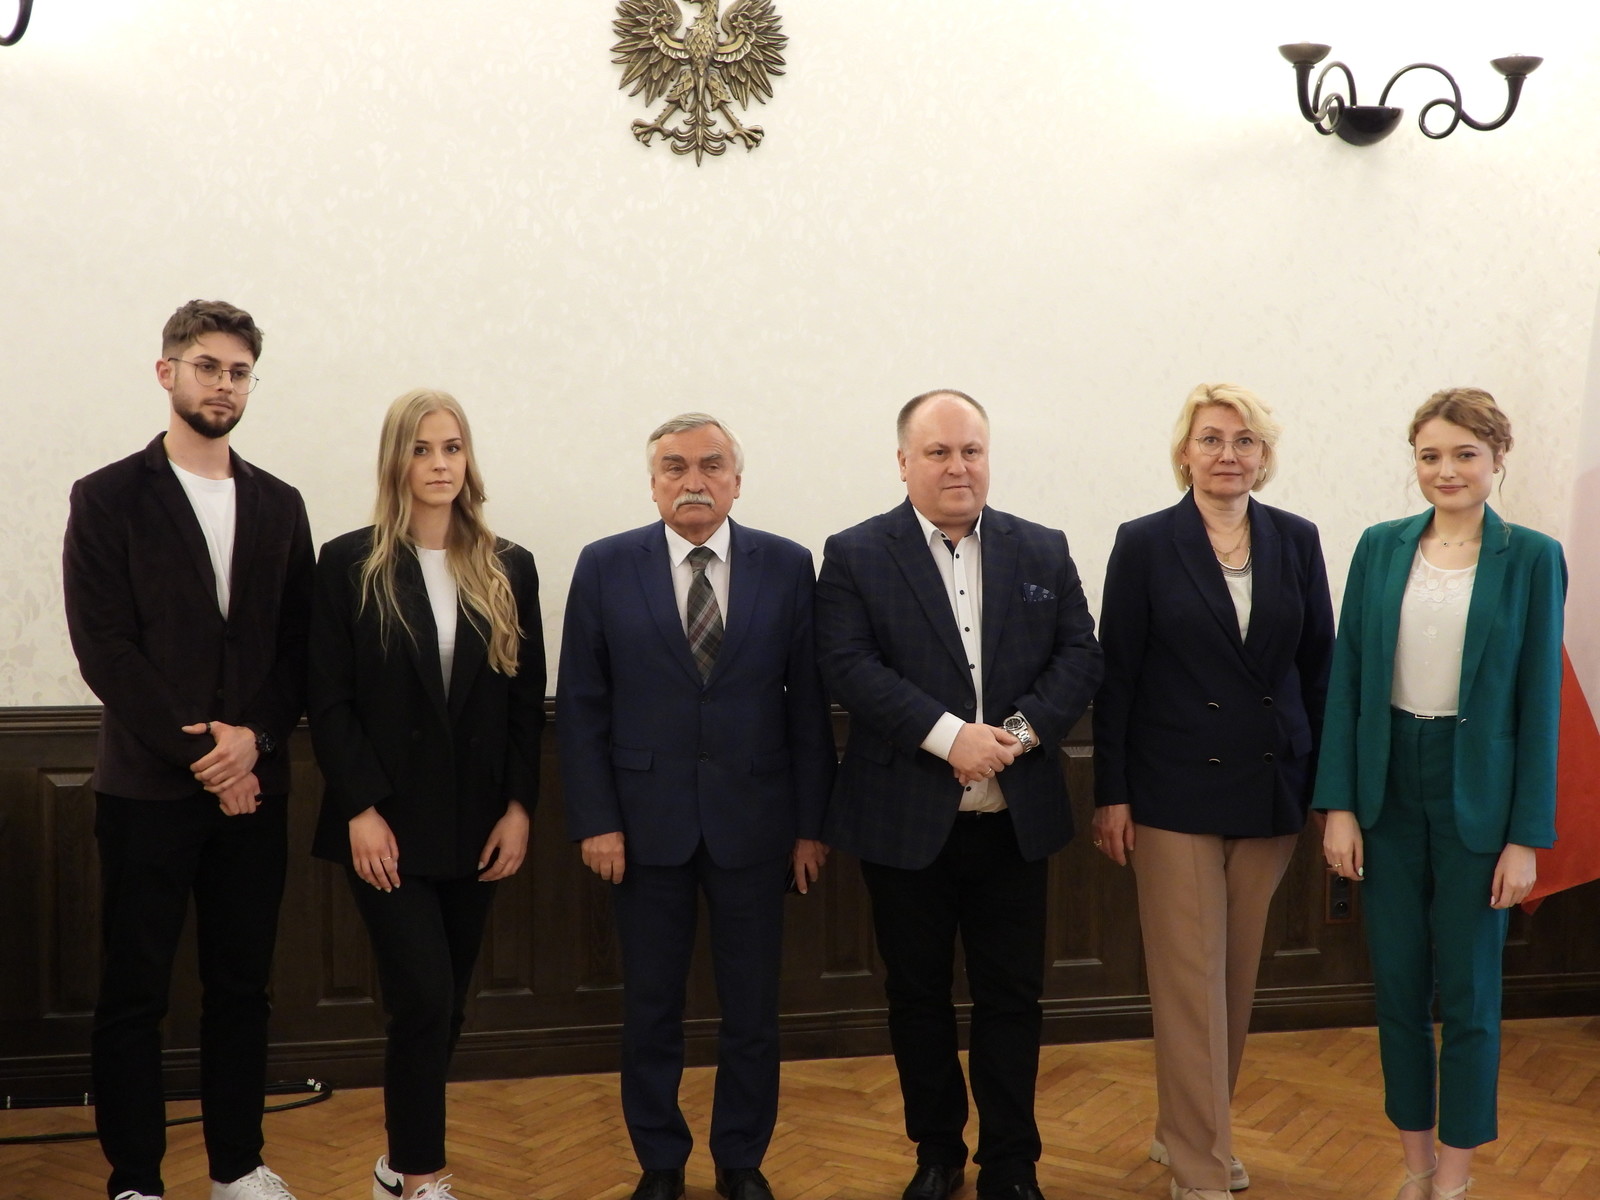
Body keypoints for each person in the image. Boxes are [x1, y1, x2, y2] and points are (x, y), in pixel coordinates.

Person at [815, 390, 1102, 1200]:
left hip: (1014, 819)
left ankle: (1011, 1162)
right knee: (917, 996)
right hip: (904, 823)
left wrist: (1011, 734)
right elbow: (848, 666)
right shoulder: (855, 554)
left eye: (971, 450)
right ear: (903, 462)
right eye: (938, 452)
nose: (957, 467)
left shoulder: (1041, 548)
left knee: (1013, 997)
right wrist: (949, 736)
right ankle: (937, 1152)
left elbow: (1081, 656)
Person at [62, 300, 313, 1200]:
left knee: (241, 989)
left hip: (256, 788)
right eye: (208, 366)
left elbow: (298, 650)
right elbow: (105, 649)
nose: (224, 384)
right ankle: (135, 1177)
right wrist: (209, 759)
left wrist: (254, 743)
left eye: (239, 371)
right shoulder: (107, 497)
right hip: (146, 791)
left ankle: (237, 1168)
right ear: (167, 371)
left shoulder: (281, 503)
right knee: (135, 992)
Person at [558, 413, 836, 1200]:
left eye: (712, 466)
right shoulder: (605, 565)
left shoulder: (788, 565)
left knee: (752, 1010)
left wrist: (810, 827)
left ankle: (742, 1160)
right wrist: (596, 820)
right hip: (643, 828)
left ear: (736, 481)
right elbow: (581, 705)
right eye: (675, 467)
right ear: (652, 484)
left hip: (758, 824)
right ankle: (661, 1162)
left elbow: (808, 709)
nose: (694, 481)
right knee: (651, 1008)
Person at [1315, 388, 1565, 1200]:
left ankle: (1455, 1180)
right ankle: (1415, 1168)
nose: (1446, 469)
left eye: (1465, 454)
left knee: (1470, 997)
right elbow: (1349, 682)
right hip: (1387, 788)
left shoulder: (1532, 557)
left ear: (1497, 459)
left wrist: (1525, 837)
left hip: (1479, 800)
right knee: (1396, 989)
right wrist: (1339, 805)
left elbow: (1541, 704)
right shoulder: (1378, 548)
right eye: (1430, 455)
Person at [1090, 384, 1334, 1200]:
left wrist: (1326, 790)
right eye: (1211, 439)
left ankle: (1189, 1129)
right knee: (1189, 981)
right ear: (1184, 453)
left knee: (1230, 979)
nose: (1228, 454)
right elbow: (1117, 676)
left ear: (1264, 456)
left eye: (1244, 440)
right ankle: (1201, 1166)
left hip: (1271, 785)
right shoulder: (1145, 543)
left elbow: (1320, 669)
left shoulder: (1297, 539)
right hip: (1172, 790)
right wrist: (1112, 793)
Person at [308, 389, 544, 1200]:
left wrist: (520, 809)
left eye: (452, 447)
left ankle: (395, 1163)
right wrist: (359, 810)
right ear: (396, 461)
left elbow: (524, 703)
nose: (440, 464)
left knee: (448, 1006)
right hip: (385, 825)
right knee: (422, 998)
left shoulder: (509, 564)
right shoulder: (349, 563)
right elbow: (328, 701)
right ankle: (420, 1175)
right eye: (421, 449)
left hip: (478, 824)